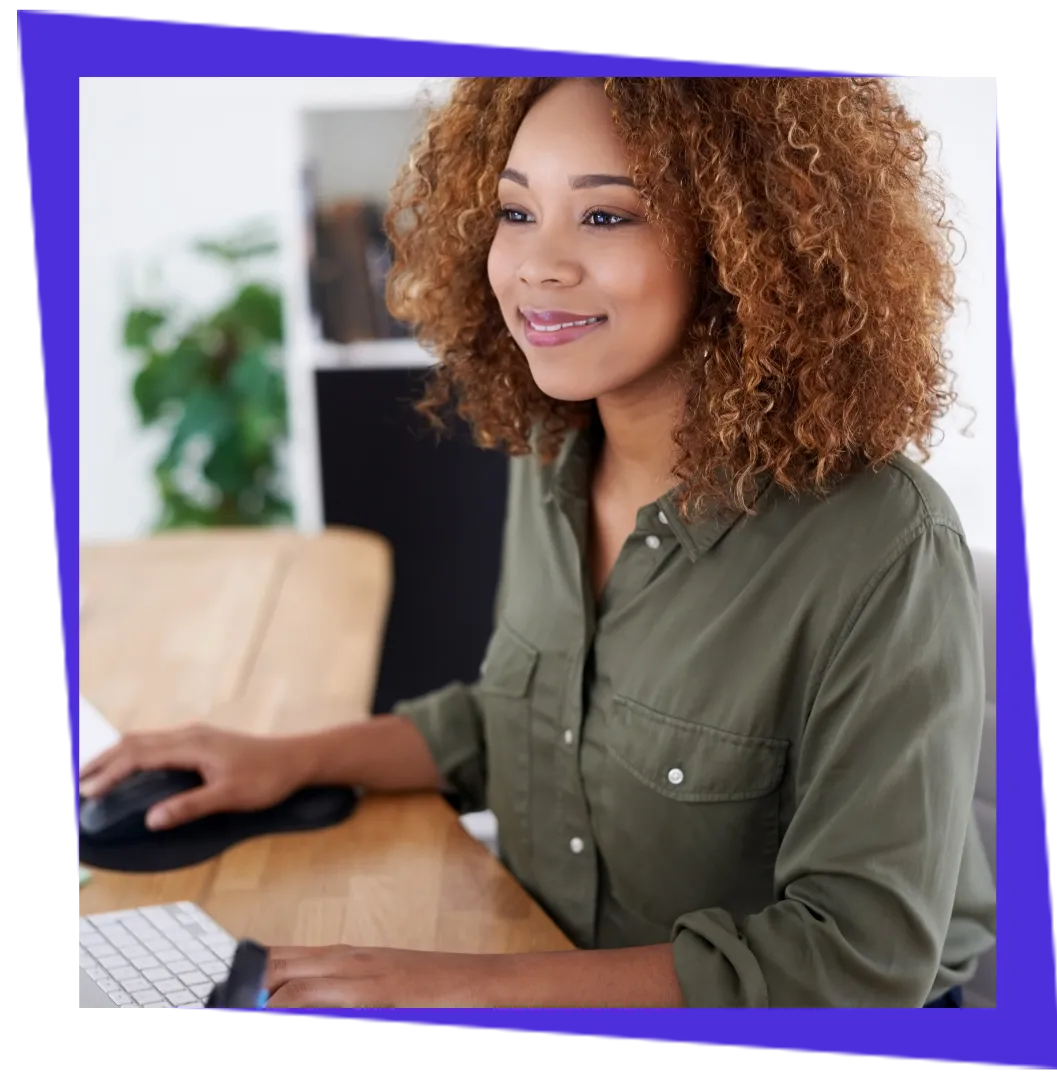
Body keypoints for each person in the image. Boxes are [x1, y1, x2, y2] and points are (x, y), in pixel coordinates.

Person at [80, 76, 996, 1009]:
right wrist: (290, 759)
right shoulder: (555, 448)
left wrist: (458, 987)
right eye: (516, 212)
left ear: (747, 242)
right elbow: (535, 721)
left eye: (606, 217)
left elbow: (858, 961)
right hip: (535, 952)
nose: (536, 266)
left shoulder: (883, 545)